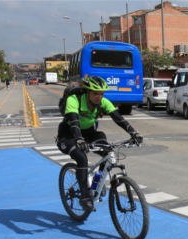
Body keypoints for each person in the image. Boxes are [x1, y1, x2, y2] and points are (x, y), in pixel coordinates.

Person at [56, 76, 143, 212]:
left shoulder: (103, 102)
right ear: (87, 92)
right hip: (68, 135)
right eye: (95, 93)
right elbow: (74, 121)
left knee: (108, 151)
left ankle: (97, 183)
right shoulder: (74, 100)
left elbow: (118, 119)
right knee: (81, 158)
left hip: (89, 133)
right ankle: (85, 197)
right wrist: (79, 139)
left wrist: (134, 133)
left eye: (101, 94)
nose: (99, 97)